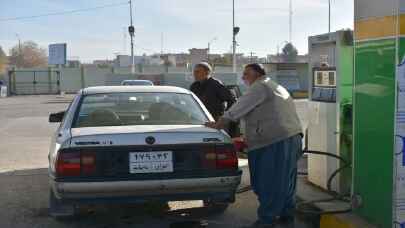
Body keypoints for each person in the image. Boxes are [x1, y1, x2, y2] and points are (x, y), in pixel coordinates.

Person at [206, 63, 303, 228]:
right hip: (291, 138)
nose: (243, 77)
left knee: (269, 182)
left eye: (246, 74)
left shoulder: (260, 86)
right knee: (285, 181)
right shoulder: (274, 85)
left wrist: (219, 124)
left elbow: (239, 107)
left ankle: (267, 220)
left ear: (258, 74)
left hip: (275, 141)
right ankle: (286, 216)